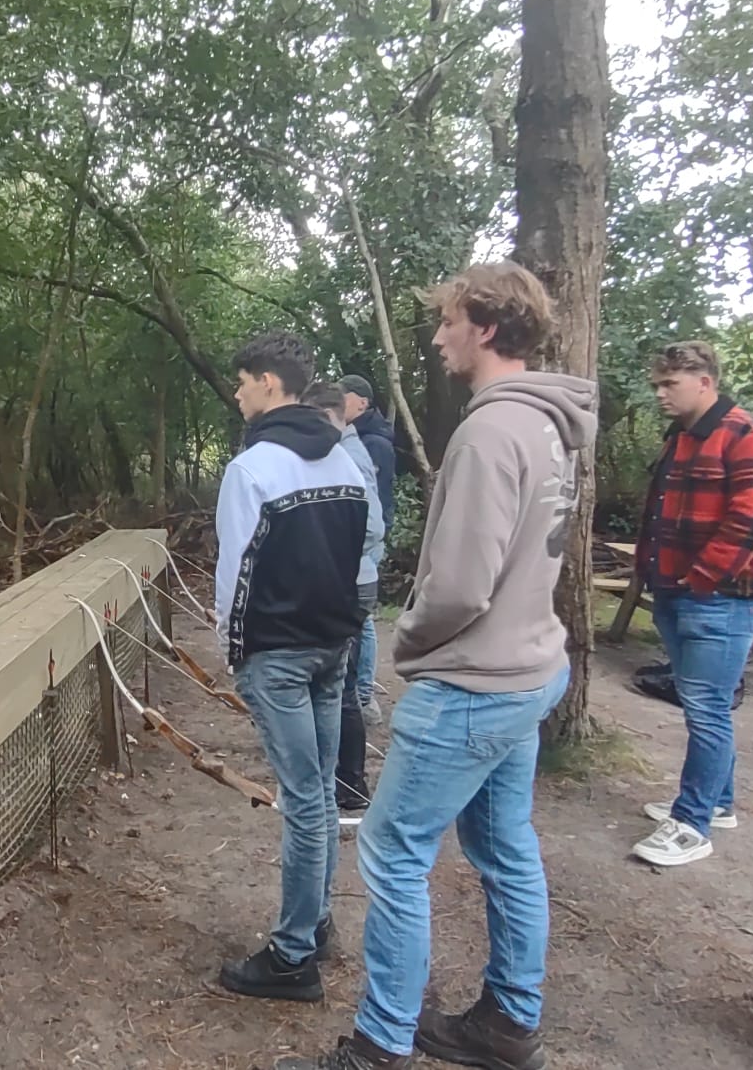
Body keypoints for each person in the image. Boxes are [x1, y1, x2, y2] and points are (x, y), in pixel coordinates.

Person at [280, 262, 596, 1070]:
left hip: (473, 683)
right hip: (531, 668)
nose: (439, 335)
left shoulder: (491, 431)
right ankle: (509, 1018)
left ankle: (381, 1044)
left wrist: (412, 637)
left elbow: (459, 585)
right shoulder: (550, 425)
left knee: (390, 850)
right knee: (505, 845)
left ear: (486, 327)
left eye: (449, 321)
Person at [214, 334, 370, 1004]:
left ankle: (292, 955)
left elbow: (235, 574)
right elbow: (358, 557)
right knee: (322, 798)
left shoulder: (252, 469)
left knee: (305, 804)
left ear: (272, 385)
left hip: (277, 655)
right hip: (334, 648)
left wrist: (234, 651)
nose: (239, 392)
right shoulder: (346, 461)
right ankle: (315, 920)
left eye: (244, 380)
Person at [629, 340, 753, 868]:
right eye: (658, 384)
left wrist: (701, 579)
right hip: (678, 590)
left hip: (722, 600)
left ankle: (692, 824)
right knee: (705, 706)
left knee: (707, 709)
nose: (660, 394)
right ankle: (718, 802)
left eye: (669, 384)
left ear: (705, 381)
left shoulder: (749, 437)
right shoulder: (682, 438)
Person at [301, 383, 386, 819]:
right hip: (345, 580)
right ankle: (331, 780)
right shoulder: (339, 452)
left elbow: (372, 527)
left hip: (351, 583)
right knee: (334, 686)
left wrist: (325, 547)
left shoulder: (348, 456)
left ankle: (350, 786)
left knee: (344, 689)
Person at [339, 375, 397, 729]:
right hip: (363, 541)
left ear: (361, 401)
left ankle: (362, 694)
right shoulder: (357, 438)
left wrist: (373, 538)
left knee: (364, 620)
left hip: (367, 543)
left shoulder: (372, 443)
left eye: (343, 398)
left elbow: (373, 503)